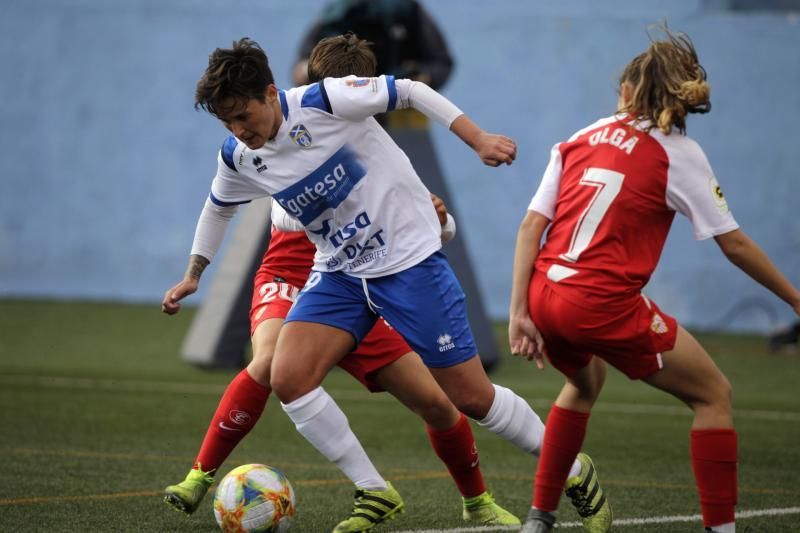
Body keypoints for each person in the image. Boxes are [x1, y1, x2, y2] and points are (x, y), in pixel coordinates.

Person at [163, 35, 608, 532]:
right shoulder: (240, 155)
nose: (238, 130)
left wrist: (478, 138)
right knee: (286, 375)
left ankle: (572, 468)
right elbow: (218, 206)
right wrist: (194, 273)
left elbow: (413, 92)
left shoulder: (326, 101)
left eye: (243, 115)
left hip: (408, 265)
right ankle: (375, 491)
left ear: (270, 94)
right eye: (227, 122)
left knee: (469, 398)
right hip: (340, 273)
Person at [509, 27, 800, 533]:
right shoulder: (677, 152)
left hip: (543, 292)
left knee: (583, 383)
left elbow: (532, 225)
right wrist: (795, 298)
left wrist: (518, 313)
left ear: (627, 91)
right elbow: (733, 244)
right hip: (596, 303)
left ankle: (541, 515)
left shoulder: (580, 137)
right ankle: (721, 529)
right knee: (713, 395)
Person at [291, 0, 453, 90]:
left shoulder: (407, 10)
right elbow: (302, 66)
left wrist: (417, 80)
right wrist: (313, 76)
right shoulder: (336, 15)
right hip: (345, 116)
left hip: (401, 117)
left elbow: (440, 63)